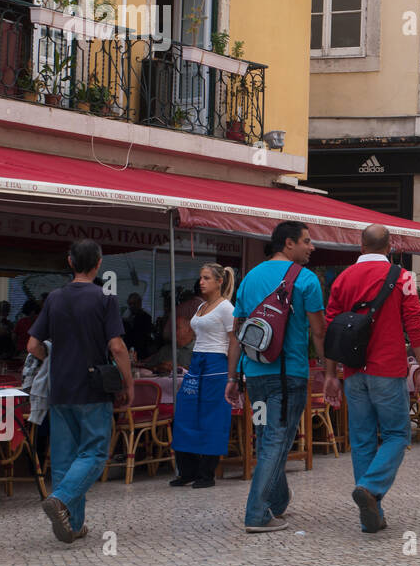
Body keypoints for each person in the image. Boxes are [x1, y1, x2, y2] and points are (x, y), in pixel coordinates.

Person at [323, 225, 420, 534]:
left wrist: (331, 375)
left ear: (360, 246)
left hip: (354, 372)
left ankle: (370, 515)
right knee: (398, 435)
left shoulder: (342, 279)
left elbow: (332, 330)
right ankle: (370, 488)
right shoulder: (403, 278)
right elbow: (415, 326)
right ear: (390, 246)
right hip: (388, 369)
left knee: (362, 440)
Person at [26, 239, 131, 544]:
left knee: (64, 459)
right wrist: (128, 382)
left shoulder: (54, 298)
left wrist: (56, 361)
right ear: (99, 263)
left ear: (70, 262)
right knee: (95, 453)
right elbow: (116, 346)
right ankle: (60, 500)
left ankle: (73, 525)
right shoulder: (105, 298)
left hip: (60, 389)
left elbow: (33, 345)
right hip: (93, 388)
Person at [226, 221, 325, 534]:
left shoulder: (250, 277)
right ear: (288, 244)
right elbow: (319, 330)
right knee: (276, 442)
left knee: (266, 439)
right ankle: (256, 514)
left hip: (254, 376)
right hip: (289, 376)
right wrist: (328, 366)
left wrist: (232, 377)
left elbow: (236, 334)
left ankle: (278, 501)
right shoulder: (306, 280)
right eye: (306, 241)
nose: (312, 247)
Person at [170, 263, 236, 489]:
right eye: (201, 277)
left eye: (207, 277)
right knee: (185, 413)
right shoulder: (201, 307)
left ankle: (206, 473)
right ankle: (187, 470)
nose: (201, 281)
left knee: (212, 417)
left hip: (216, 364)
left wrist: (232, 375)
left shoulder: (226, 307)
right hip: (197, 362)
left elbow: (233, 340)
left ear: (219, 281)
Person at [122, 293, 154, 362]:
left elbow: (147, 333)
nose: (132, 306)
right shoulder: (125, 317)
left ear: (139, 303)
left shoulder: (146, 317)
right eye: (130, 304)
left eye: (134, 303)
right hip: (127, 348)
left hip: (141, 350)